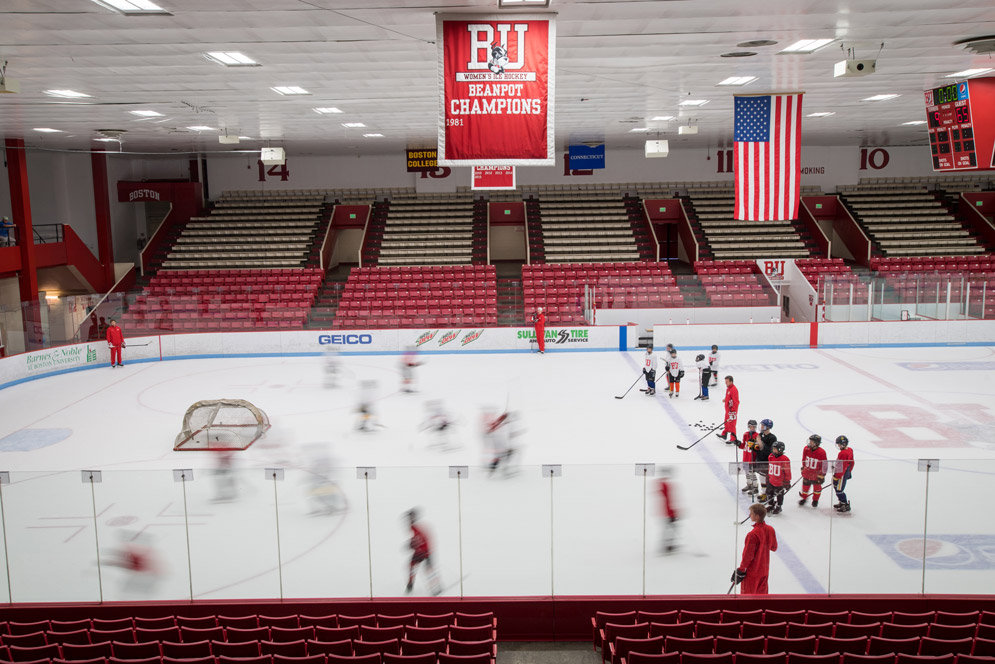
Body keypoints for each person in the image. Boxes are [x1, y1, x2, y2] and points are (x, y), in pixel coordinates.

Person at [731, 503, 777, 595]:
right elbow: (774, 547)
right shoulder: (770, 529)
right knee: (761, 599)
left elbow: (748, 555)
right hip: (764, 571)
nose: (749, 515)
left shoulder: (752, 535)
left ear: (757, 516)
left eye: (751, 513)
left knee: (747, 600)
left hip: (752, 573)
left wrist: (741, 570)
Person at [406, 508, 441, 595]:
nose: (409, 519)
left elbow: (419, 539)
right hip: (423, 551)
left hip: (423, 552)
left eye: (411, 517)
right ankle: (410, 585)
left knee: (426, 569)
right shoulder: (414, 527)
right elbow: (417, 539)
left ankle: (436, 587)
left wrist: (412, 544)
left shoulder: (416, 527)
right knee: (414, 566)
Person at [761, 441, 791, 515]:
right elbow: (769, 467)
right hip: (771, 480)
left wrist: (787, 481)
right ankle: (771, 505)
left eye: (775, 449)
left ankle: (779, 506)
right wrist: (768, 476)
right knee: (769, 493)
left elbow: (787, 471)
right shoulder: (771, 456)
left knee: (779, 494)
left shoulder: (785, 459)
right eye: (773, 449)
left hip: (780, 482)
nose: (773, 450)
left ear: (780, 449)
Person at [799, 434, 828, 508]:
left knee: (817, 489)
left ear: (817, 443)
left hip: (816, 475)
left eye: (812, 441)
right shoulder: (806, 449)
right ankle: (804, 498)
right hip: (807, 473)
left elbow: (824, 465)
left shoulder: (822, 452)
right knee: (805, 487)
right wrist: (804, 468)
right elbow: (804, 459)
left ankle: (815, 500)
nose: (810, 442)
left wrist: (822, 474)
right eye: (810, 441)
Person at [658, 467, 680, 554]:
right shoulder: (665, 484)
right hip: (669, 512)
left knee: (669, 528)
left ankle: (667, 545)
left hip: (667, 511)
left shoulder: (663, 484)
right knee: (671, 528)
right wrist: (673, 512)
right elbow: (669, 500)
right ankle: (668, 546)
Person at [833, 435, 855, 513]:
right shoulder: (850, 450)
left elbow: (842, 466)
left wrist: (837, 477)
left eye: (839, 444)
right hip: (845, 472)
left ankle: (844, 504)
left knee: (839, 490)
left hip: (841, 474)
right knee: (838, 489)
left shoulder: (843, 453)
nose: (838, 445)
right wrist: (849, 472)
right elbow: (852, 462)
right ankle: (841, 502)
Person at [755, 419, 775, 498]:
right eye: (762, 424)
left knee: (766, 478)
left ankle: (767, 494)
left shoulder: (772, 437)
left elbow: (770, 451)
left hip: (766, 461)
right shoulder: (760, 435)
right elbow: (758, 449)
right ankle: (763, 493)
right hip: (760, 460)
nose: (762, 426)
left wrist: (760, 443)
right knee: (761, 477)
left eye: (764, 425)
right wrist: (753, 446)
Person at [739, 419, 760, 495]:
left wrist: (754, 445)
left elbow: (758, 448)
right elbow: (743, 446)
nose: (752, 428)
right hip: (746, 457)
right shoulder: (745, 434)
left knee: (752, 473)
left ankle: (755, 487)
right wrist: (738, 443)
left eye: (754, 427)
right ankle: (749, 484)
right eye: (751, 426)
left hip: (752, 458)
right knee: (747, 472)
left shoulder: (757, 436)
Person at [716, 375, 739, 443]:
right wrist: (725, 399)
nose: (726, 383)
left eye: (727, 382)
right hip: (728, 410)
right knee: (726, 422)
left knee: (732, 424)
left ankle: (733, 438)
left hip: (732, 411)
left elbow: (735, 401)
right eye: (725, 382)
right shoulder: (728, 388)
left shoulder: (734, 390)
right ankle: (724, 434)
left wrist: (733, 411)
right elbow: (729, 397)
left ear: (731, 382)